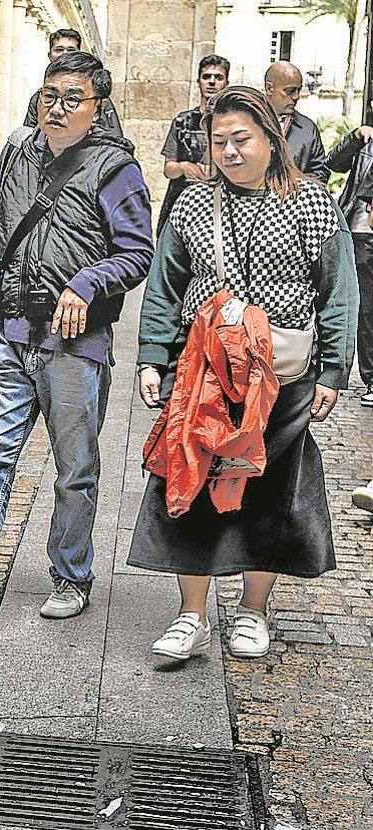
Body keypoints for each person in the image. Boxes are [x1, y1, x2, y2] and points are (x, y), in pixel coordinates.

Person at [0, 51, 153, 627]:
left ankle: (71, 576)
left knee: (75, 467)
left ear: (97, 108)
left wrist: (89, 283)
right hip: (9, 329)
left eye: (72, 99)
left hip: (75, 343)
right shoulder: (19, 151)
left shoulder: (116, 169)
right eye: (49, 96)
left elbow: (138, 251)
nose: (57, 108)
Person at [129, 86, 356, 661]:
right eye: (218, 142)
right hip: (204, 369)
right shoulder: (193, 205)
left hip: (282, 376)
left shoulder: (312, 202)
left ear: (269, 139)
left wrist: (332, 370)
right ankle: (191, 615)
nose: (228, 151)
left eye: (240, 139)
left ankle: (253, 612)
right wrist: (153, 354)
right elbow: (165, 284)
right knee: (192, 480)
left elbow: (339, 291)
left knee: (270, 490)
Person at [324, 122, 373, 407]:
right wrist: (354, 139)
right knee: (366, 309)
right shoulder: (365, 141)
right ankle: (371, 378)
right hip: (361, 235)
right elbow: (333, 163)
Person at [156, 54, 230, 235]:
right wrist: (184, 167)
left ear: (226, 83)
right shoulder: (182, 121)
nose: (211, 82)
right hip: (181, 202)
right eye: (206, 77)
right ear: (198, 82)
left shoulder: (233, 123)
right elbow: (168, 169)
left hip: (218, 205)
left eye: (218, 77)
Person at [24, 29, 123, 138]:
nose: (64, 54)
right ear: (50, 55)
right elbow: (29, 136)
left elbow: (112, 136)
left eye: (72, 99)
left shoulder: (95, 97)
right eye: (59, 50)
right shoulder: (38, 98)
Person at [264, 60, 329, 182]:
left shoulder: (308, 129)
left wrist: (295, 191)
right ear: (269, 88)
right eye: (289, 91)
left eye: (298, 90)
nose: (296, 97)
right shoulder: (247, 122)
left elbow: (320, 172)